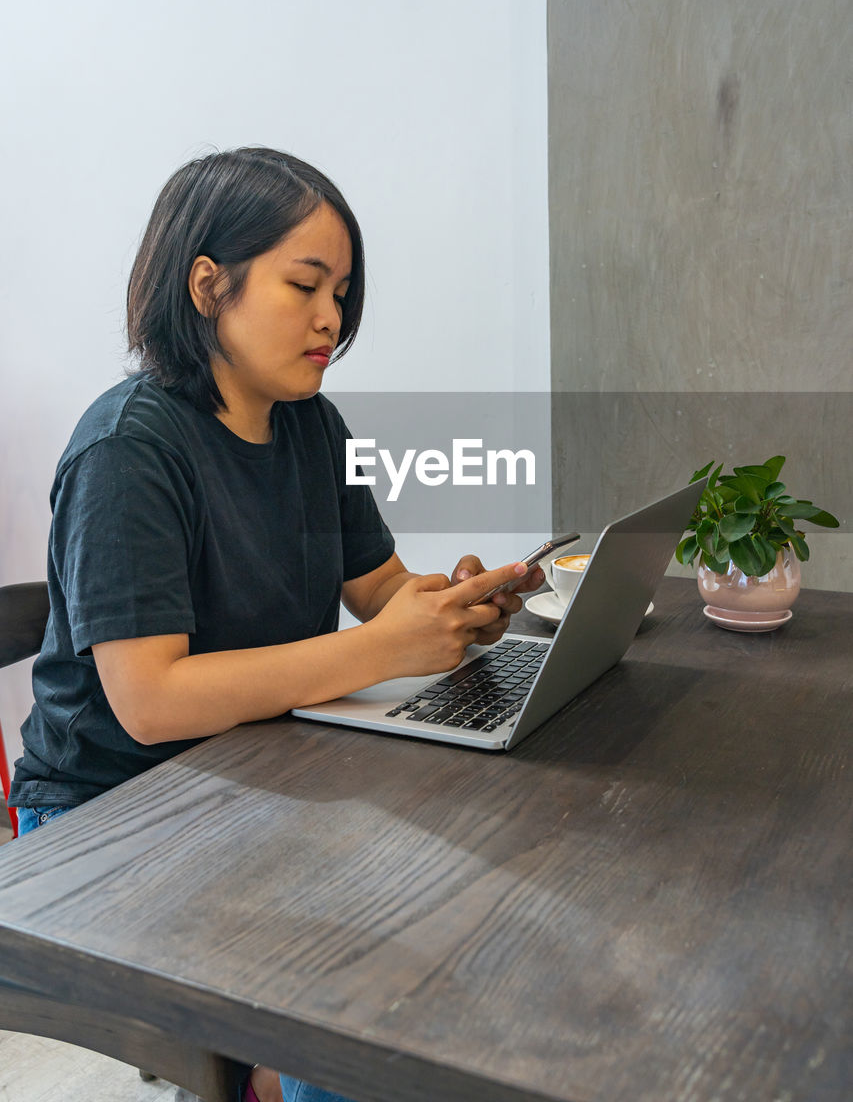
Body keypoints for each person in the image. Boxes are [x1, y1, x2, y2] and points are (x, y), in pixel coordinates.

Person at [9, 146, 544, 1102]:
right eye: (306, 285)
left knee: (465, 892)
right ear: (208, 284)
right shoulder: (128, 448)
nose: (331, 317)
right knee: (351, 967)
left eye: (341, 292)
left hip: (258, 764)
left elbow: (376, 586)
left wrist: (449, 609)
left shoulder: (312, 427)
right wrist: (375, 650)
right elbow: (149, 702)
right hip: (111, 809)